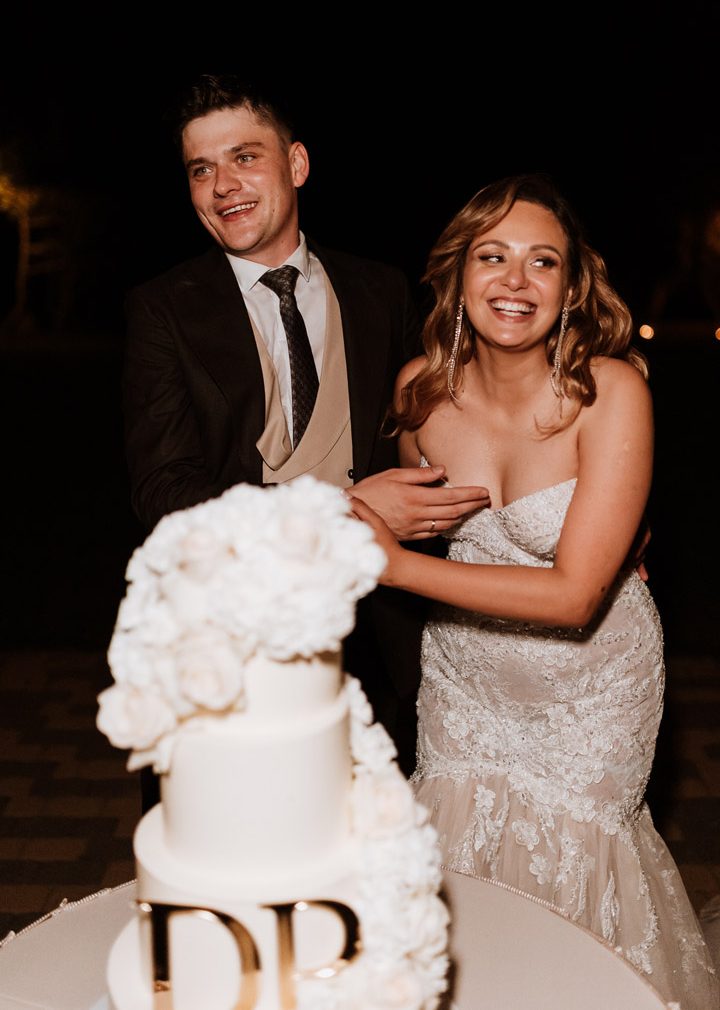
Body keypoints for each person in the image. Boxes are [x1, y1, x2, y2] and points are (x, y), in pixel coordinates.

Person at [352, 174, 719, 1008]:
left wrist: (392, 566)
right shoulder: (419, 392)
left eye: (541, 261)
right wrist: (371, 523)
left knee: (578, 882)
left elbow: (576, 596)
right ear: (457, 275)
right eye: (492, 256)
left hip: (590, 692)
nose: (515, 280)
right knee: (458, 876)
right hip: (466, 685)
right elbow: (428, 527)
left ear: (571, 285)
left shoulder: (612, 392)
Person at [121, 75, 488, 772]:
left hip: (378, 628)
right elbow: (164, 496)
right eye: (201, 169)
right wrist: (341, 510)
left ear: (296, 164)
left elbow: (461, 422)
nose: (222, 186)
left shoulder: (380, 291)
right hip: (231, 636)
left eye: (244, 157)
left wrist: (584, 515)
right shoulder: (162, 309)